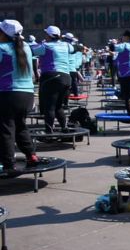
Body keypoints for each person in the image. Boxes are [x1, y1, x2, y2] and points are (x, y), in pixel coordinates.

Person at [0, 20, 39, 177]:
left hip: (8, 94)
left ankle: (9, 164)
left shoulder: (2, 49)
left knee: (6, 129)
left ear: (3, 33)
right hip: (27, 95)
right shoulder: (26, 48)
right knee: (20, 126)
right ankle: (31, 155)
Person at [30, 25, 76, 133]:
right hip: (66, 78)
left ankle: (49, 131)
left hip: (52, 77)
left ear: (49, 36)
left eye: (46, 34)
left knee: (49, 106)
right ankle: (64, 127)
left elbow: (30, 51)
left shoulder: (45, 46)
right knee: (58, 106)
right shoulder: (66, 45)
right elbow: (75, 48)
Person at [110, 30, 130, 115]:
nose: (122, 38)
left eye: (123, 36)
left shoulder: (124, 45)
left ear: (127, 37)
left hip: (127, 73)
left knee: (127, 95)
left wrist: (114, 42)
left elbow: (112, 48)